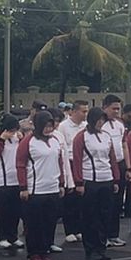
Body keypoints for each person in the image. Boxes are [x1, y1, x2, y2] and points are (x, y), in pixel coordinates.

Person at [16, 109, 70, 260]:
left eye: (51, 126)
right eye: (46, 126)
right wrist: (23, 187)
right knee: (35, 225)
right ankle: (34, 254)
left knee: (49, 223)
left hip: (52, 188)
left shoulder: (54, 141)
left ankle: (45, 251)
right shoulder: (29, 141)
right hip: (35, 190)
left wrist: (61, 183)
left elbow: (59, 162)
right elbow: (20, 164)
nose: (48, 129)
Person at [71, 106, 122, 260]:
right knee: (90, 217)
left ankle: (101, 247)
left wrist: (116, 179)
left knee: (105, 216)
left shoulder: (106, 136)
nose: (101, 123)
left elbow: (112, 159)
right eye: (98, 120)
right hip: (90, 181)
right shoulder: (81, 137)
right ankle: (90, 248)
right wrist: (79, 182)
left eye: (102, 120)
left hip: (106, 179)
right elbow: (77, 160)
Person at [56, 99, 89, 244]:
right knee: (70, 198)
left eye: (87, 111)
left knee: (81, 199)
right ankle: (69, 230)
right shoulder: (63, 126)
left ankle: (79, 228)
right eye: (83, 111)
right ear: (74, 111)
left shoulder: (86, 126)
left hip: (82, 163)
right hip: (69, 162)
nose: (85, 114)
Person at [0, 115, 23, 250]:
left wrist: (21, 139)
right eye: (11, 130)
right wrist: (2, 139)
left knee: (15, 211)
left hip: (15, 180)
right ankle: (1, 237)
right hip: (1, 181)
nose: (13, 133)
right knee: (2, 211)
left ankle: (13, 236)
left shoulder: (17, 139)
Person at [100, 96, 128, 247]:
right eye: (113, 108)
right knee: (106, 204)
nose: (116, 112)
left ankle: (114, 234)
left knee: (117, 202)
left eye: (118, 109)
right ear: (105, 108)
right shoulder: (100, 125)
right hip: (106, 166)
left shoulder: (119, 125)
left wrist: (128, 167)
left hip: (120, 164)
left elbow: (124, 144)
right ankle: (102, 236)